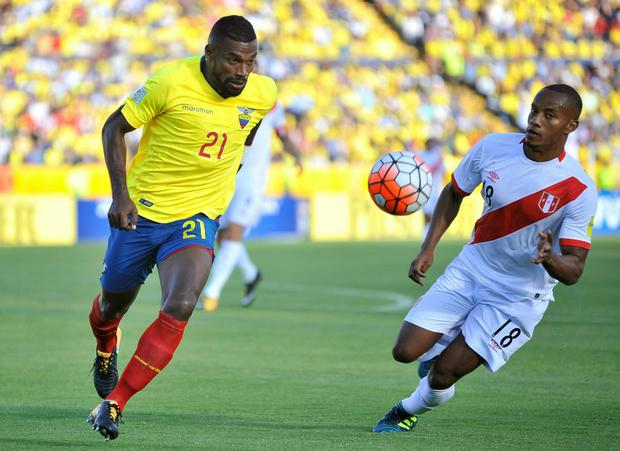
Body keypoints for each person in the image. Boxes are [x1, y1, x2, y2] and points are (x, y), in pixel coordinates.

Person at [86, 15, 277, 441]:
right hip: (141, 214)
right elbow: (113, 127)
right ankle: (105, 345)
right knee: (111, 306)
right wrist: (120, 196)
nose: (243, 72)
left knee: (182, 303)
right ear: (209, 54)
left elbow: (246, 131)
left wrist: (224, 177)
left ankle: (114, 402)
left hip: (197, 218)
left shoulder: (264, 94)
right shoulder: (170, 82)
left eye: (250, 61)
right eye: (233, 61)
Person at [373, 84, 598, 433]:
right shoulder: (492, 147)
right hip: (471, 269)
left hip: (518, 297)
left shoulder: (578, 188)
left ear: (570, 126)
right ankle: (444, 344)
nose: (535, 121)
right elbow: (454, 192)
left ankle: (406, 411)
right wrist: (428, 247)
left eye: (549, 115)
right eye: (534, 110)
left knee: (443, 374)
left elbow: (574, 269)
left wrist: (549, 258)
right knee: (404, 351)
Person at [199, 101, 302, 311]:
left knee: (234, 233)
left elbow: (282, 134)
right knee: (222, 236)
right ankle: (251, 274)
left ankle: (211, 294)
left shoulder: (270, 102)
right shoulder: (228, 95)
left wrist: (297, 155)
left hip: (251, 179)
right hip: (225, 176)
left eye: (250, 66)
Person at [417, 138, 445, 238]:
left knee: (436, 211)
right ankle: (426, 231)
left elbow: (442, 170)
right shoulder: (422, 155)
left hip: (436, 188)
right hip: (426, 188)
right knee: (427, 211)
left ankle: (433, 232)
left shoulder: (437, 155)